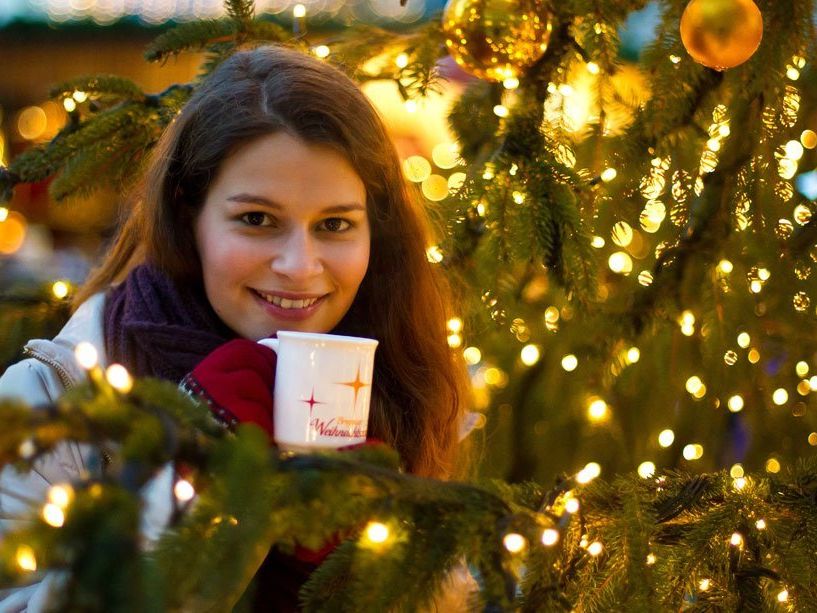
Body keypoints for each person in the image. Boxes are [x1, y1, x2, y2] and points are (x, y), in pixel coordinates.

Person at [0, 45, 472, 611]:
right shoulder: (50, 402)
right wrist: (196, 492)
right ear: (187, 215)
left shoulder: (406, 390)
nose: (300, 265)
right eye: (256, 220)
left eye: (335, 224)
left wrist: (376, 562)